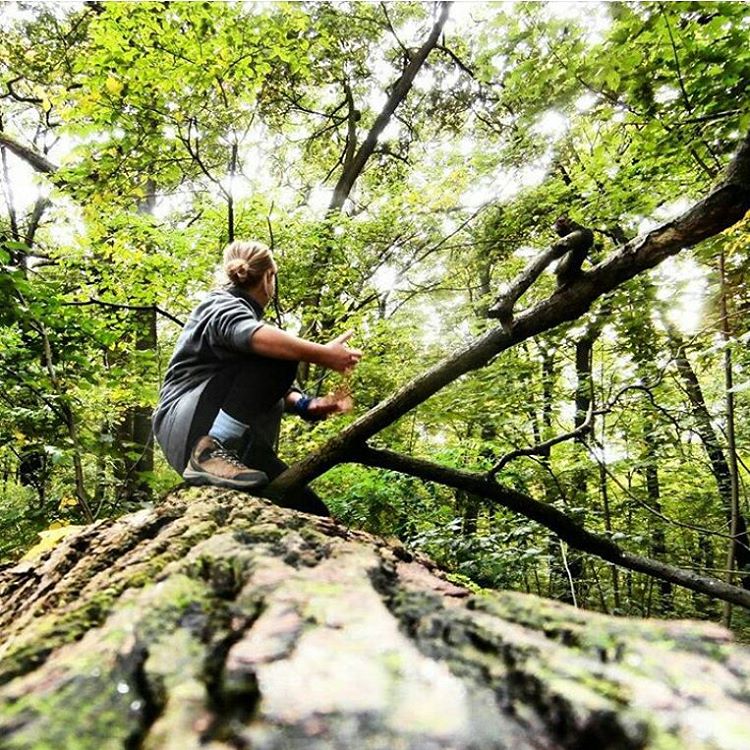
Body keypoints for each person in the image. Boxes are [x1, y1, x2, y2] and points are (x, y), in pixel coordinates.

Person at [152, 239, 362, 517]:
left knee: (312, 512)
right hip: (191, 428)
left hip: (241, 449)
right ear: (268, 278)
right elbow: (249, 335)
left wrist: (306, 405)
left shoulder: (245, 321)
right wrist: (322, 353)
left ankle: (221, 451)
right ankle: (210, 452)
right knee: (280, 353)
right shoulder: (220, 303)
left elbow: (261, 385)